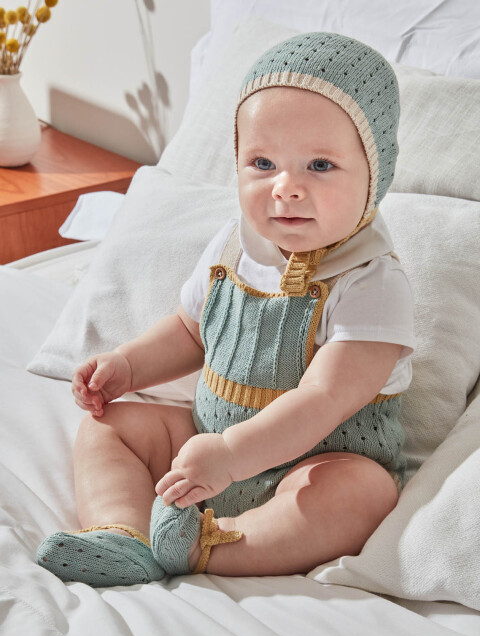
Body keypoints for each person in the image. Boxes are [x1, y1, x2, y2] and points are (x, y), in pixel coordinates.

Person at [37, 31, 415, 587]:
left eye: (320, 165)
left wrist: (233, 456)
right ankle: (122, 534)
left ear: (375, 176)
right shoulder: (233, 249)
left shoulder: (372, 281)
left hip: (309, 465)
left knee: (363, 496)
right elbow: (191, 332)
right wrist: (129, 366)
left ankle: (208, 550)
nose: (285, 188)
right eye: (263, 162)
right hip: (206, 441)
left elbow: (323, 398)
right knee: (106, 426)